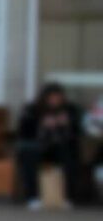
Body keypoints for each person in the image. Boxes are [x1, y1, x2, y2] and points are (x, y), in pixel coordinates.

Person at [14, 81, 85, 209]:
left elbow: (78, 131)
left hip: (60, 147)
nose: (54, 101)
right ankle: (33, 196)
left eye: (58, 98)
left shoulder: (70, 109)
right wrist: (41, 124)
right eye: (51, 98)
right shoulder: (32, 109)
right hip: (37, 147)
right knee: (29, 157)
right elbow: (23, 132)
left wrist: (67, 124)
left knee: (69, 157)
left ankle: (68, 197)